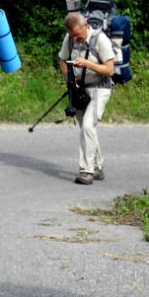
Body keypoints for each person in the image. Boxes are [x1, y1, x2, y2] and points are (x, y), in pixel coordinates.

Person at [58, 12, 115, 185]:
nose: (76, 38)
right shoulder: (69, 39)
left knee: (88, 126)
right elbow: (62, 60)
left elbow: (110, 70)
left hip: (100, 88)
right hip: (79, 90)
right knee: (86, 129)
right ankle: (97, 167)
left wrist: (88, 64)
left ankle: (87, 171)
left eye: (78, 34)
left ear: (86, 25)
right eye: (72, 35)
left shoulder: (101, 40)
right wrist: (70, 79)